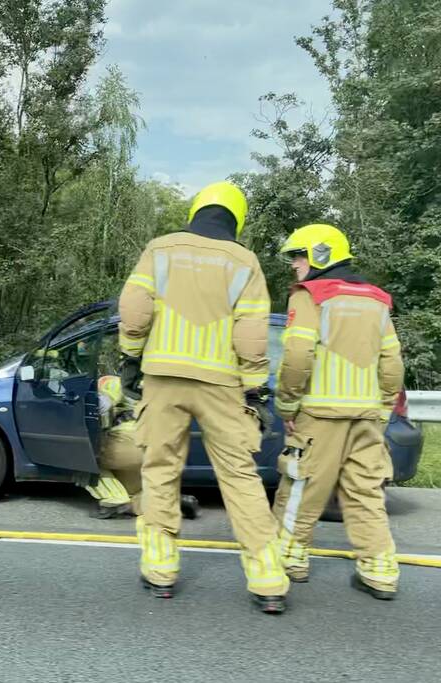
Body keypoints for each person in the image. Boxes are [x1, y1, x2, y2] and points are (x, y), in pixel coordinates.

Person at [118, 180, 289, 613]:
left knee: (159, 468)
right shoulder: (244, 261)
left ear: (196, 211)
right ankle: (268, 575)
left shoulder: (160, 249)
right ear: (237, 219)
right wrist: (255, 388)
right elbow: (251, 334)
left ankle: (160, 567)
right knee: (239, 474)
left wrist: (131, 358)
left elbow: (135, 310)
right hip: (222, 384)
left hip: (164, 376)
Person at [273, 224, 402, 600]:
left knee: (301, 486)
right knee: (365, 491)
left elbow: (297, 357)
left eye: (299, 255)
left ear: (320, 255)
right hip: (366, 417)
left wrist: (287, 404)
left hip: (319, 414)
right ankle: (379, 569)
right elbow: (392, 363)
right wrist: (382, 408)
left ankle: (288, 559)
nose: (295, 264)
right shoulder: (378, 300)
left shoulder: (310, 295)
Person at [83, 375, 200, 521]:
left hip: (130, 441)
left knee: (82, 457)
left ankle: (113, 502)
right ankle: (171, 504)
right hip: (161, 446)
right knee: (131, 492)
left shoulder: (115, 381)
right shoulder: (165, 385)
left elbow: (103, 402)